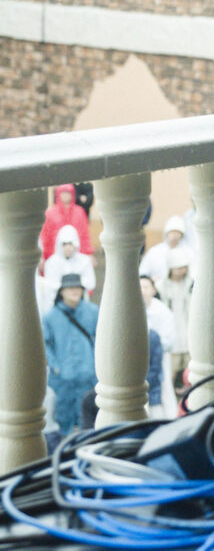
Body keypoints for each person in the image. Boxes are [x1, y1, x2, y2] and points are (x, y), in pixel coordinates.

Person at [41, 272, 97, 435]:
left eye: (78, 287)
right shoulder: (50, 316)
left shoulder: (93, 311)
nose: (75, 291)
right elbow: (44, 344)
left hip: (88, 375)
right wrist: (55, 366)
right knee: (63, 420)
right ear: (62, 292)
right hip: (63, 378)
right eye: (70, 287)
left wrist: (96, 364)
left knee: (88, 420)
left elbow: (102, 339)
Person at [157, 249, 193, 392]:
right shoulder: (161, 286)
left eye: (184, 267)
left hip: (188, 327)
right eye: (178, 268)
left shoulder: (190, 284)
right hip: (171, 329)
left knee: (190, 367)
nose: (181, 271)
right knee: (170, 367)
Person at [41, 184, 92, 261]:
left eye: (68, 192)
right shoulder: (50, 213)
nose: (65, 195)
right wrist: (43, 256)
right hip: (54, 255)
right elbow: (45, 236)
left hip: (77, 255)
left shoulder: (79, 212)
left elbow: (85, 234)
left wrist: (88, 252)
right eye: (63, 192)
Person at [43, 225, 96, 297]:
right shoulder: (51, 262)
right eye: (64, 244)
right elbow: (50, 285)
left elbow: (91, 283)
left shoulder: (85, 261)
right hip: (58, 300)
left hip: (80, 300)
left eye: (70, 243)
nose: (67, 247)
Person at [138, 216, 192, 281]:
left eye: (177, 232)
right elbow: (142, 272)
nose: (174, 235)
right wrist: (150, 280)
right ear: (166, 233)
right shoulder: (154, 251)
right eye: (172, 232)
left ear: (182, 235)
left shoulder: (188, 252)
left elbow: (193, 274)